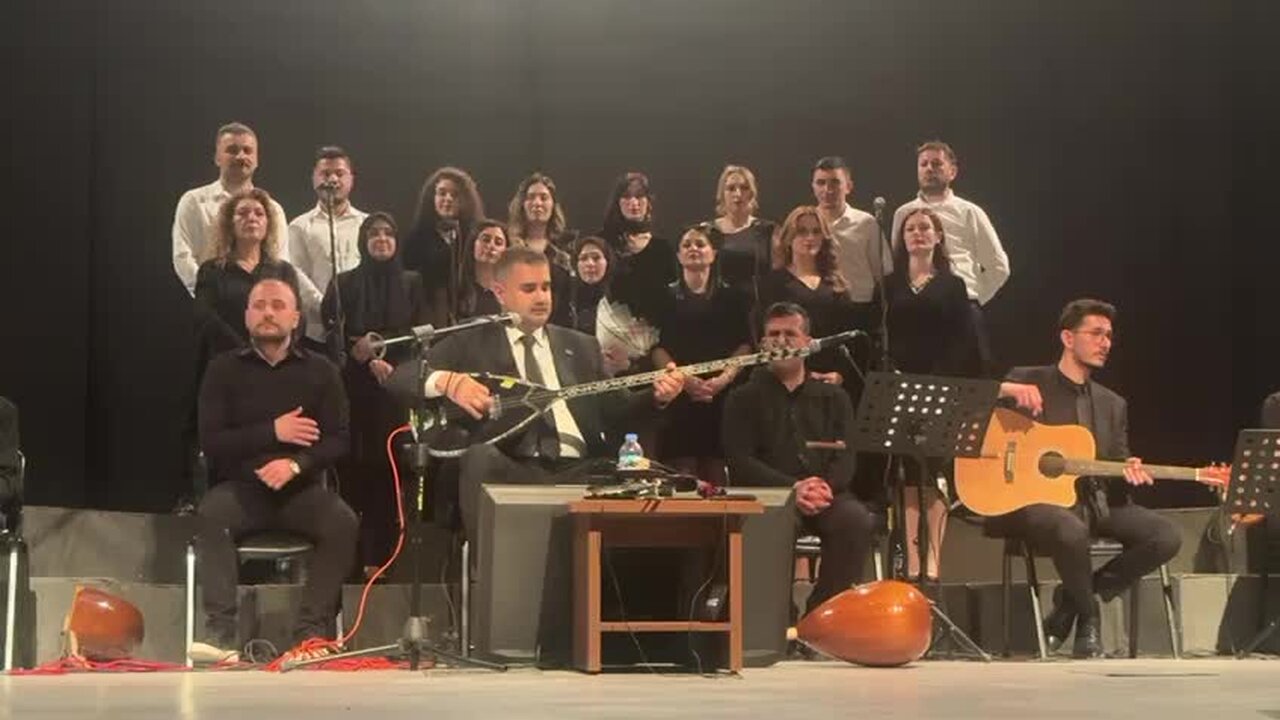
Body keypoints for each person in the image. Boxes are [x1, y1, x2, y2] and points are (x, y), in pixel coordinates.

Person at [407, 247, 685, 543]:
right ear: (500, 293)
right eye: (529, 289)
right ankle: (489, 566)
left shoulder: (581, 346)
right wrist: (448, 382)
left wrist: (658, 396)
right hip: (512, 464)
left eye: (546, 287)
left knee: (662, 488)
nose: (541, 298)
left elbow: (619, 410)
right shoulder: (473, 341)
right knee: (478, 458)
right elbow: (406, 374)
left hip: (580, 469)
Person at [988, 298, 1181, 658]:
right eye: (1096, 333)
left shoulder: (1113, 404)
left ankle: (1072, 600)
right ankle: (1089, 617)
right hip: (1034, 504)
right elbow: (970, 409)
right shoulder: (1026, 380)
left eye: (1108, 336)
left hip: (1094, 502)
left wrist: (1128, 470)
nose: (1105, 343)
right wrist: (1004, 390)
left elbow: (1115, 466)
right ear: (1067, 338)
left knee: (1165, 536)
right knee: (1070, 527)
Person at [192, 277, 355, 665]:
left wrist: (296, 463)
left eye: (278, 305)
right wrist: (273, 432)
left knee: (343, 522)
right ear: (246, 316)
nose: (268, 312)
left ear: (296, 317)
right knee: (211, 514)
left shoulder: (321, 370)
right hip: (243, 489)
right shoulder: (222, 370)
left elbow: (339, 440)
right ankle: (220, 635)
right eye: (260, 305)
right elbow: (211, 441)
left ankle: (310, 634)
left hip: (300, 490)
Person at [721, 302, 877, 613]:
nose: (781, 341)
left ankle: (823, 614)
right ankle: (778, 619)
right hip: (770, 493)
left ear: (807, 342)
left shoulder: (834, 396)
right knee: (771, 524)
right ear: (763, 343)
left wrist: (823, 487)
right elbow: (740, 459)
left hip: (824, 493)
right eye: (773, 334)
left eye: (790, 334)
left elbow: (846, 456)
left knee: (855, 520)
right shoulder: (742, 398)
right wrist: (794, 488)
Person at [322, 213, 429, 574]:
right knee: (353, 472)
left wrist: (389, 362)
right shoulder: (344, 283)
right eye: (373, 233)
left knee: (389, 473)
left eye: (388, 233)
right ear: (362, 240)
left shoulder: (412, 283)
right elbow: (331, 332)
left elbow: (420, 335)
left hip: (394, 391)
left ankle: (384, 562)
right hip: (354, 391)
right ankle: (350, 562)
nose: (381, 239)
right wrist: (359, 354)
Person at [883, 208, 981, 582]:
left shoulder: (952, 285)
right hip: (898, 388)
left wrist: (938, 381)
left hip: (941, 388)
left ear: (938, 236)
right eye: (910, 228)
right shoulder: (888, 285)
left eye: (925, 227)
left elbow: (962, 340)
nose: (918, 233)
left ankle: (933, 564)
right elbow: (884, 335)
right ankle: (911, 562)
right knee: (908, 475)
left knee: (934, 474)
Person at [891, 141, 1011, 373]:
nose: (929, 169)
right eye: (924, 164)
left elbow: (998, 266)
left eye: (937, 163)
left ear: (952, 171)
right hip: (915, 307)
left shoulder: (969, 212)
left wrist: (971, 298)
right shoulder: (903, 213)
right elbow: (899, 260)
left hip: (961, 307)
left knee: (969, 378)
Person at [651, 224, 753, 487]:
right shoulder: (663, 296)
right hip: (679, 397)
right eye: (686, 245)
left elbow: (744, 345)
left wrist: (723, 380)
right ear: (678, 256)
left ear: (713, 253)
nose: (693, 249)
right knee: (683, 477)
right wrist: (684, 380)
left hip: (722, 397)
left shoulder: (734, 297)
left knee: (717, 476)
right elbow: (656, 347)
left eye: (700, 244)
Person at [173, 122, 290, 296]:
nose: (241, 156)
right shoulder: (194, 202)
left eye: (247, 151)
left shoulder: (273, 209)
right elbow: (183, 256)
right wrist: (209, 293)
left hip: (261, 305)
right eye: (232, 150)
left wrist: (262, 301)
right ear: (217, 158)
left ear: (257, 160)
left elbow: (280, 262)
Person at [194, 189, 301, 367]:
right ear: (230, 223)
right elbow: (207, 320)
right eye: (243, 213)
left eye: (259, 213)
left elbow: (297, 318)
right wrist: (248, 353)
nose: (252, 218)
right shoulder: (211, 270)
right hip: (227, 365)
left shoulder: (284, 271)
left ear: (268, 224)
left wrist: (275, 353)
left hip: (276, 365)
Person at [757, 206, 860, 383]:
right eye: (802, 232)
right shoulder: (772, 283)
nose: (810, 238)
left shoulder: (836, 283)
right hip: (787, 378)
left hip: (831, 378)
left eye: (816, 232)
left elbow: (848, 335)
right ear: (789, 238)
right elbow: (766, 338)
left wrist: (840, 374)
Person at [597, 172, 678, 375]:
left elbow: (671, 299)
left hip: (653, 349)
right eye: (627, 196)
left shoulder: (663, 248)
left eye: (639, 196)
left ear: (649, 202)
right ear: (617, 202)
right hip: (607, 346)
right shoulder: (602, 243)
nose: (634, 203)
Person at [287, 146, 368, 346]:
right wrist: (327, 309)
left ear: (351, 179)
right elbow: (297, 275)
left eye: (340, 173)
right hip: (316, 331)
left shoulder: (367, 223)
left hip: (362, 328)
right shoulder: (299, 226)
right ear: (314, 179)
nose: (332, 179)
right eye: (325, 173)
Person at [403, 167, 486, 326]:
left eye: (454, 194)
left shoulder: (477, 237)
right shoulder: (416, 238)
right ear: (432, 198)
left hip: (471, 316)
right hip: (430, 318)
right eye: (442, 193)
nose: (448, 199)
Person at [811, 156, 890, 316]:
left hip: (859, 307)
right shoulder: (806, 224)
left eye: (835, 182)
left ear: (848, 186)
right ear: (813, 187)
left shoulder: (866, 223)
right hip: (817, 306)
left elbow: (883, 271)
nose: (828, 189)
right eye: (821, 183)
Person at [506, 172, 575, 325]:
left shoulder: (565, 252)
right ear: (522, 204)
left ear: (553, 205)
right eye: (531, 197)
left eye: (544, 198)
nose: (537, 203)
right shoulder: (507, 246)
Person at [706, 165, 775, 308]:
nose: (738, 194)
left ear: (752, 193)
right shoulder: (708, 231)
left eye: (744, 188)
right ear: (722, 194)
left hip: (756, 307)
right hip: (716, 306)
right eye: (731, 188)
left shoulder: (766, 230)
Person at [456, 220, 509, 320]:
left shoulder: (510, 290)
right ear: (473, 245)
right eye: (486, 240)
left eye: (498, 243)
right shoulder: (456, 285)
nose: (491, 246)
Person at [565, 235, 614, 340]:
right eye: (583, 258)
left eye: (596, 258)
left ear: (608, 262)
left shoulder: (619, 297)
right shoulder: (566, 296)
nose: (590, 264)